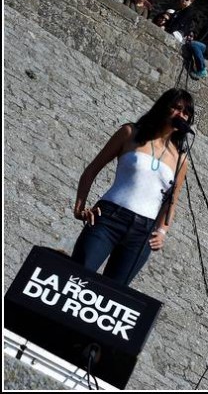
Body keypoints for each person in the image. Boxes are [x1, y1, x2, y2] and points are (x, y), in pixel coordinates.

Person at [70, 89, 193, 285]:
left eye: (186, 113)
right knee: (77, 278)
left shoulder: (181, 159)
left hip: (142, 233)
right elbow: (93, 169)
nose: (181, 115)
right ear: (164, 107)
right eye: (177, 108)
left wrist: (162, 231)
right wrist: (80, 206)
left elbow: (172, 200)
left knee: (111, 295)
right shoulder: (130, 133)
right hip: (108, 218)